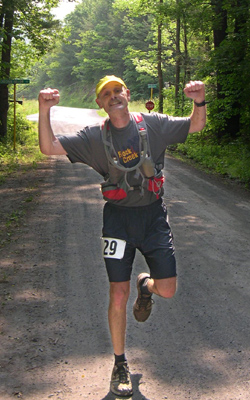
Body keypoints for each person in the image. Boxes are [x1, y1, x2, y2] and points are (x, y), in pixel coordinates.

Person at [38, 76, 206, 397]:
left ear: (127, 95)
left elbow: (195, 125)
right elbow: (49, 147)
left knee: (168, 290)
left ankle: (148, 286)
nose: (113, 96)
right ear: (100, 104)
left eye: (118, 91)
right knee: (117, 294)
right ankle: (119, 363)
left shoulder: (153, 125)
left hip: (153, 218)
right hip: (117, 221)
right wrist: (45, 110)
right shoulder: (93, 137)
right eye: (106, 94)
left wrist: (199, 100)